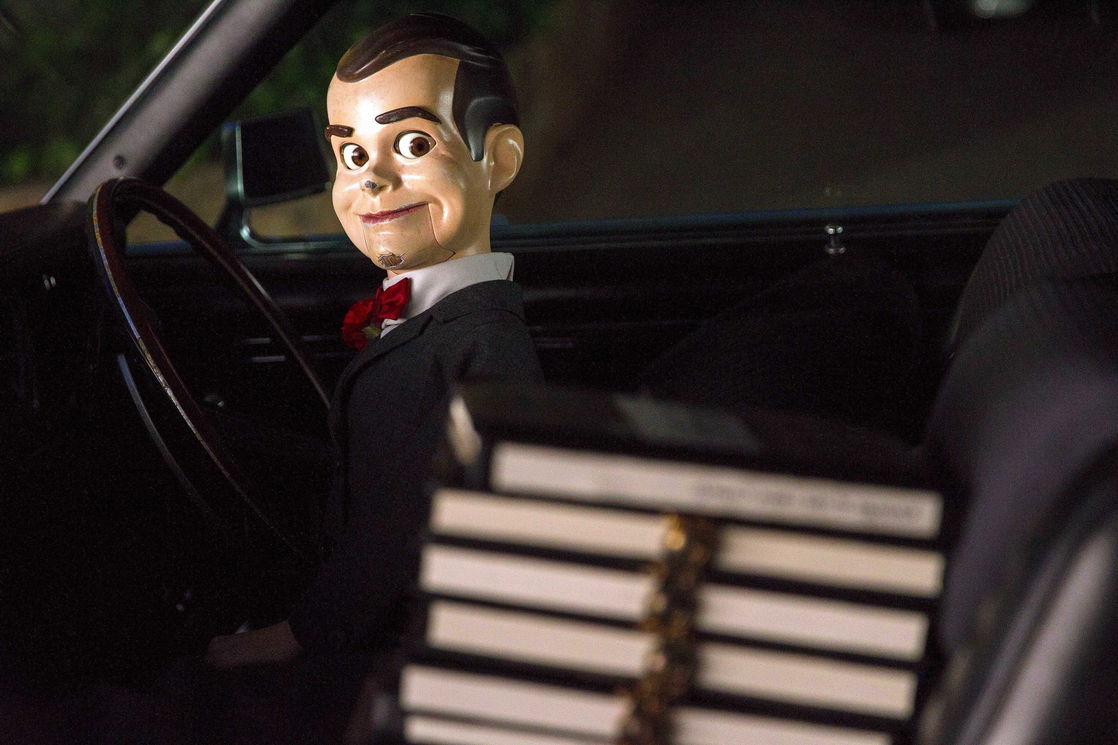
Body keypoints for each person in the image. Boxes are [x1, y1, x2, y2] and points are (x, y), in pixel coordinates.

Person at [204, 12, 541, 670]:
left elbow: (403, 534)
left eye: (412, 144)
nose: (371, 179)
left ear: (498, 160)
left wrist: (293, 636)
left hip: (392, 653)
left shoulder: (485, 353)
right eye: (352, 156)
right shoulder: (419, 316)